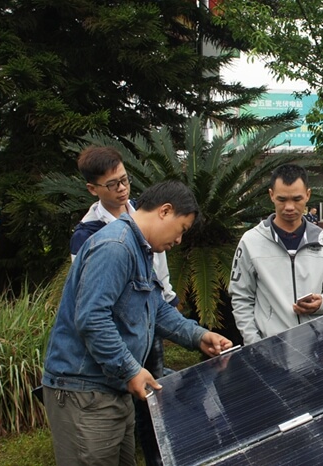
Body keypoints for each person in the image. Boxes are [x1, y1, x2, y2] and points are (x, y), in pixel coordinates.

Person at [42, 180, 232, 466]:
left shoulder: (139, 249)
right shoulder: (115, 247)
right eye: (182, 230)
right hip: (86, 393)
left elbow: (155, 308)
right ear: (165, 211)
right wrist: (131, 369)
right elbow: (92, 318)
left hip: (111, 390)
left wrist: (198, 335)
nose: (179, 241)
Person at [70, 145, 176, 465]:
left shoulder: (144, 215)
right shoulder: (88, 234)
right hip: (116, 335)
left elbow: (160, 274)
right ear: (92, 189)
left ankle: (157, 455)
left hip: (149, 322)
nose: (122, 189)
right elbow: (90, 303)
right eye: (112, 184)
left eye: (124, 180)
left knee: (152, 398)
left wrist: (170, 308)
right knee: (130, 398)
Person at [229, 164, 323, 346]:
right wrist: (254, 342)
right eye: (282, 199)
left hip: (318, 349)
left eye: (297, 199)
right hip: (269, 350)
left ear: (308, 195)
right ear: (271, 195)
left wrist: (322, 302)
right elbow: (241, 297)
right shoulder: (251, 242)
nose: (290, 207)